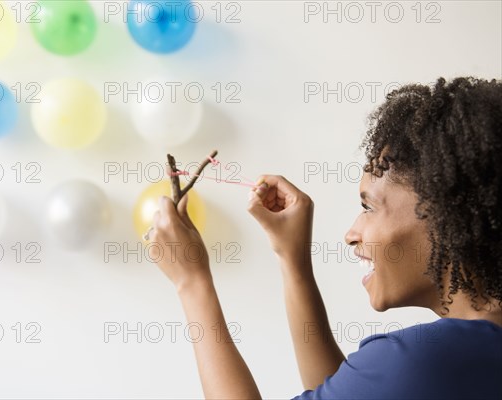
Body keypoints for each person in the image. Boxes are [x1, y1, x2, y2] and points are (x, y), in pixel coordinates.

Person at [146, 77, 502, 399]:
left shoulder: (422, 364)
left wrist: (192, 283)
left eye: (369, 206)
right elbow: (339, 392)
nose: (352, 234)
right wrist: (293, 260)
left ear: (443, 213)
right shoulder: (473, 354)